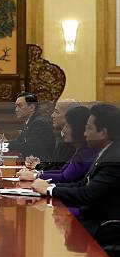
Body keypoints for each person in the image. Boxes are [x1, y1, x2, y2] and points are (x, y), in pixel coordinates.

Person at [32, 104, 120, 238]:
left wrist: (49, 189)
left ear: (103, 132)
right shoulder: (105, 152)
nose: (85, 134)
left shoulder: (113, 159)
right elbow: (82, 184)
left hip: (104, 225)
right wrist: (49, 187)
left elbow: (87, 194)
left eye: (89, 128)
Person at [17, 106, 97, 183]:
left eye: (67, 126)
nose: (64, 130)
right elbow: (62, 171)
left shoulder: (86, 152)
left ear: (78, 129)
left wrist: (36, 176)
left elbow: (65, 177)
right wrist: (38, 173)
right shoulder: (80, 150)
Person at [25, 98, 80, 171]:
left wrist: (37, 167)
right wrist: (37, 164)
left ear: (70, 115)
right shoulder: (60, 135)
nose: (52, 115)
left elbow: (60, 172)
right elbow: (54, 165)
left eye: (56, 112)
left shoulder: (73, 141)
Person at [8, 92, 55, 161]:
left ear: (32, 107)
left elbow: (28, 147)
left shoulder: (39, 123)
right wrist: (3, 143)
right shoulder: (30, 121)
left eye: (20, 106)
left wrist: (3, 145)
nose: (16, 109)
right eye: (16, 106)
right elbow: (19, 140)